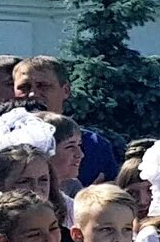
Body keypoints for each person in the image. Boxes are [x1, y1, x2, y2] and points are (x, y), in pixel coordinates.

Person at [14, 56, 118, 186]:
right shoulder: (2, 142)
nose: (32, 94)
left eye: (43, 86)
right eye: (24, 87)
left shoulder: (94, 146)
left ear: (66, 90)